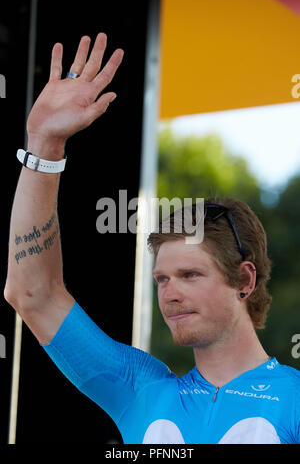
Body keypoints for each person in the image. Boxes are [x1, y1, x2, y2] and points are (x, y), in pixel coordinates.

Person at [4, 33, 300, 445]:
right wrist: (45, 144)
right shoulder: (140, 390)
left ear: (245, 281)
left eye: (190, 274)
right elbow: (33, 294)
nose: (170, 294)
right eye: (162, 279)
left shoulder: (295, 400)